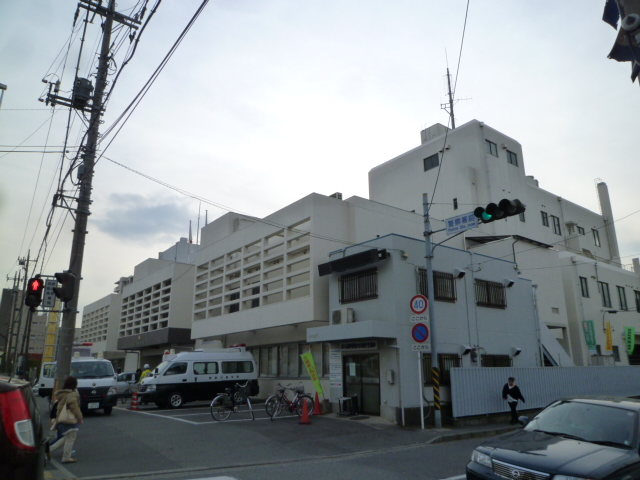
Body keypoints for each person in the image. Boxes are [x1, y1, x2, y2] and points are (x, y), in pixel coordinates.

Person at [49, 376, 84, 463]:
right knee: (71, 438)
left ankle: (49, 450)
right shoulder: (72, 394)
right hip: (69, 419)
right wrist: (80, 418)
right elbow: (74, 407)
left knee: (66, 437)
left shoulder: (62, 393)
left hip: (61, 418)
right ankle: (66, 457)